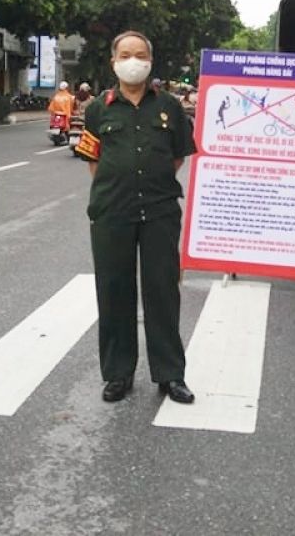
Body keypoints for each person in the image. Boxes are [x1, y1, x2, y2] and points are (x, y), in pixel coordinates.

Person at [75, 31, 196, 405]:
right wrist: (120, 187)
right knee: (114, 291)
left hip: (160, 210)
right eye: (125, 54)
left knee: (162, 291)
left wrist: (151, 180)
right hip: (112, 211)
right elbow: (93, 159)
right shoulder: (98, 108)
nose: (133, 60)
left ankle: (170, 374)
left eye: (140, 54)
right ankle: (117, 374)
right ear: (113, 62)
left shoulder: (171, 107)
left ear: (150, 61)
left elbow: (178, 155)